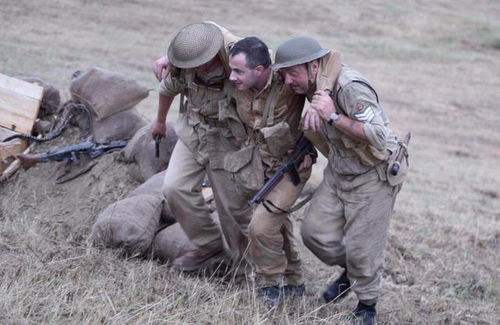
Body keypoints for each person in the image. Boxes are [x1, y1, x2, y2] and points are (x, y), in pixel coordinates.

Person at [272, 35, 403, 324]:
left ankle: (366, 307)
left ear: (313, 68)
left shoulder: (350, 87)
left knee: (362, 248)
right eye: (284, 75)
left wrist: (332, 117)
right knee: (314, 234)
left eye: (292, 74)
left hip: (374, 174)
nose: (288, 82)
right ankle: (353, 268)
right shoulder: (312, 85)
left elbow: (379, 136)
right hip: (341, 170)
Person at [152, 22, 253, 274]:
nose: (197, 68)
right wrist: (160, 121)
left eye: (202, 62)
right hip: (194, 131)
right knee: (173, 187)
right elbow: (167, 90)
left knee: (232, 207)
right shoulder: (183, 63)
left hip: (230, 139)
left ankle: (244, 266)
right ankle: (209, 245)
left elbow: (266, 64)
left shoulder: (238, 57)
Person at [223, 37, 315, 305]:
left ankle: (270, 284)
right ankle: (294, 279)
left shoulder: (286, 80)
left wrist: (322, 102)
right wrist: (169, 59)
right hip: (258, 166)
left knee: (261, 227)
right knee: (276, 224)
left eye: (239, 71)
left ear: (261, 70)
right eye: (232, 70)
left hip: (293, 168)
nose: (232, 77)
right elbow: (213, 33)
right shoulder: (237, 80)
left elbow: (330, 63)